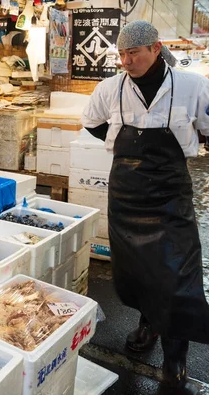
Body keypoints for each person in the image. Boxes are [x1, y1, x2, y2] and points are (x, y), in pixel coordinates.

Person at [82, 20, 209, 395]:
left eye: (133, 52)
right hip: (127, 194)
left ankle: (175, 355)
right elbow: (92, 123)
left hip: (170, 194)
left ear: (155, 48)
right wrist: (123, 141)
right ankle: (148, 323)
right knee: (137, 271)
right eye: (120, 54)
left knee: (177, 277)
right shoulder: (109, 88)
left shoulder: (192, 85)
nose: (125, 61)